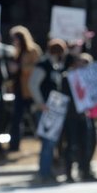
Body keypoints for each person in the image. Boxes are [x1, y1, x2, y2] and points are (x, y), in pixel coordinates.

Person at [29, 38, 67, 182]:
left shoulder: (55, 66)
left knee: (51, 141)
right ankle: (44, 172)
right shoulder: (43, 65)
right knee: (47, 141)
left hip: (54, 109)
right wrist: (40, 103)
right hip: (45, 109)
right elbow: (33, 84)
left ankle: (48, 170)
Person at [61, 53, 97, 182]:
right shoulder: (67, 77)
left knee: (86, 144)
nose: (83, 65)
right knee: (71, 144)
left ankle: (85, 171)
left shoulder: (89, 78)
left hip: (85, 115)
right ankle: (68, 173)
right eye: (80, 62)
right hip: (71, 116)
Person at [8, 26, 42, 153]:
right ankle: (14, 146)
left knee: (36, 118)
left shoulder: (33, 50)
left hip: (31, 91)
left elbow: (37, 67)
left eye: (16, 39)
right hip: (19, 90)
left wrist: (21, 67)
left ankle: (43, 143)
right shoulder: (15, 51)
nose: (15, 41)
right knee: (16, 119)